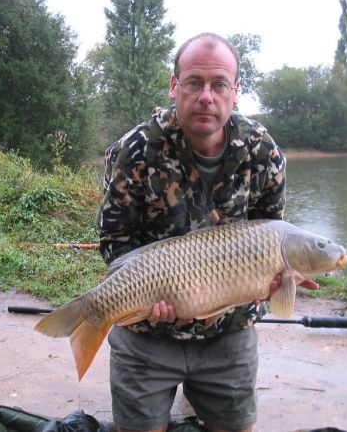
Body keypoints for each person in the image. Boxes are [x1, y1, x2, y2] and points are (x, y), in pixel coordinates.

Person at [97, 33, 286, 432]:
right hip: (148, 331)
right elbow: (116, 240)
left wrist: (273, 282)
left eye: (219, 85)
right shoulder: (135, 150)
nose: (206, 96)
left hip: (229, 329)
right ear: (174, 86)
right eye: (194, 82)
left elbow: (274, 231)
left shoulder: (262, 151)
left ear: (235, 91)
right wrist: (148, 294)